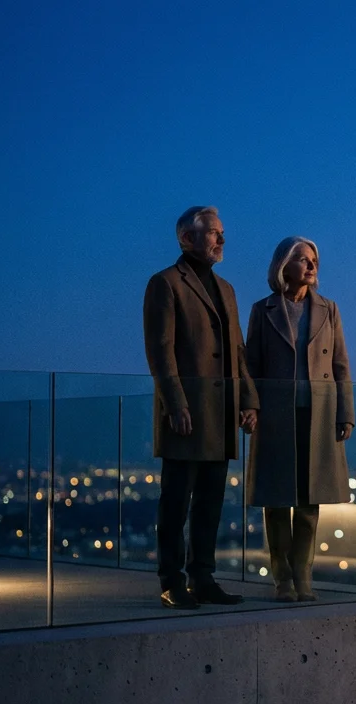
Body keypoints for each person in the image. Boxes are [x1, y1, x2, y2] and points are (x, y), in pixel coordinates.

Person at [143, 206, 259, 609]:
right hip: (187, 416)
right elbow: (161, 352)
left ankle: (202, 578)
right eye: (212, 232)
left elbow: (238, 353)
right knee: (175, 503)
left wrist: (248, 401)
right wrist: (175, 404)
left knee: (210, 502)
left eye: (222, 232)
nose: (221, 239)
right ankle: (171, 581)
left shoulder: (226, 289)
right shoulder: (165, 283)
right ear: (186, 238)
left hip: (221, 414)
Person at [244, 236, 354, 602]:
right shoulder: (263, 310)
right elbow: (252, 366)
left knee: (310, 502)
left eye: (313, 261)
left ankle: (303, 577)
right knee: (277, 502)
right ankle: (282, 579)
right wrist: (250, 406)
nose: (311, 266)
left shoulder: (329, 309)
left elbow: (340, 366)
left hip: (319, 414)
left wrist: (345, 412)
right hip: (275, 416)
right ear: (283, 266)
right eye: (302, 259)